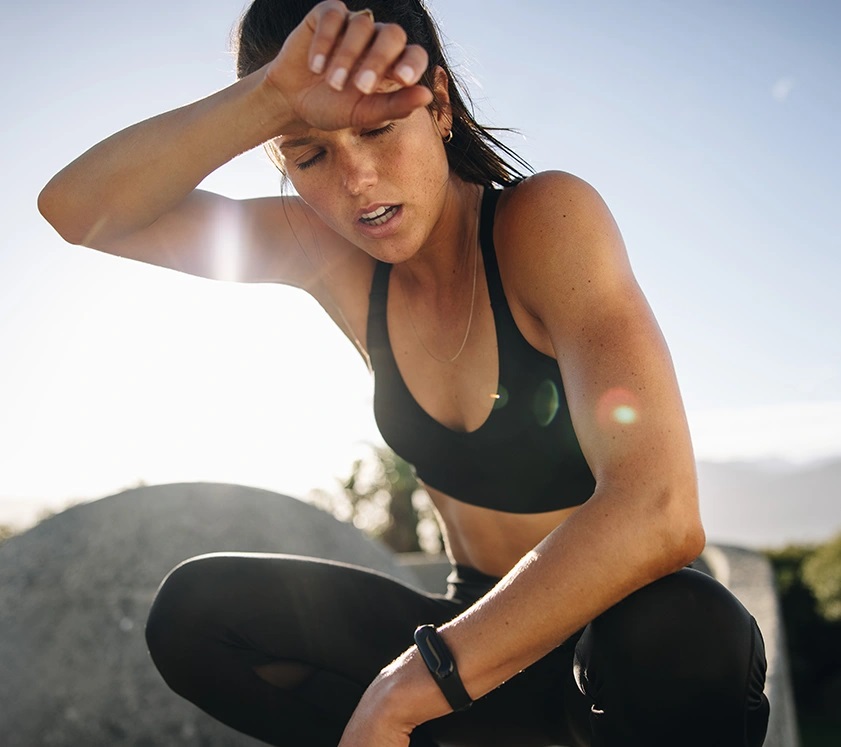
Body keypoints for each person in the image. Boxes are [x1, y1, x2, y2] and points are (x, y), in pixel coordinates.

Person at [38, 1, 771, 745]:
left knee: (684, 625)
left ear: (439, 107)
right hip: (475, 637)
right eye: (308, 153)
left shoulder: (544, 222)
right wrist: (268, 99)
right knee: (196, 612)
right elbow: (77, 210)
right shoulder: (323, 252)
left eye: (377, 128)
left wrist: (408, 690)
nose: (356, 179)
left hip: (613, 667)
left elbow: (660, 511)